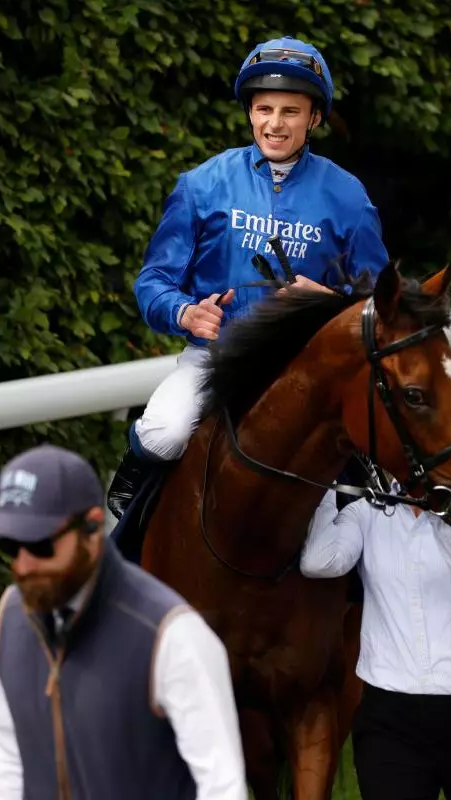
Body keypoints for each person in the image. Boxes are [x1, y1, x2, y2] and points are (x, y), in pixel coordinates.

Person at [105, 36, 390, 520]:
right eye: (264, 109)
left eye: (290, 111)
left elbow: (384, 305)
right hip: (216, 359)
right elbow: (152, 280)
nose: (274, 124)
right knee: (164, 431)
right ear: (250, 112)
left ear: (314, 118)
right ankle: (132, 524)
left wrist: (331, 301)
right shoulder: (201, 185)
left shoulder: (349, 196)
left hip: (306, 372)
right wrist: (185, 313)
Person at [0, 443, 247, 799]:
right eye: (11, 546)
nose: (23, 566)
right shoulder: (10, 617)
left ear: (92, 527)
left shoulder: (170, 634)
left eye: (41, 545)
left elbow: (222, 787)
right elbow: (12, 758)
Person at [299, 476, 451, 800]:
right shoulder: (367, 512)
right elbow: (319, 562)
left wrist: (444, 505)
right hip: (390, 721)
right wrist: (323, 488)